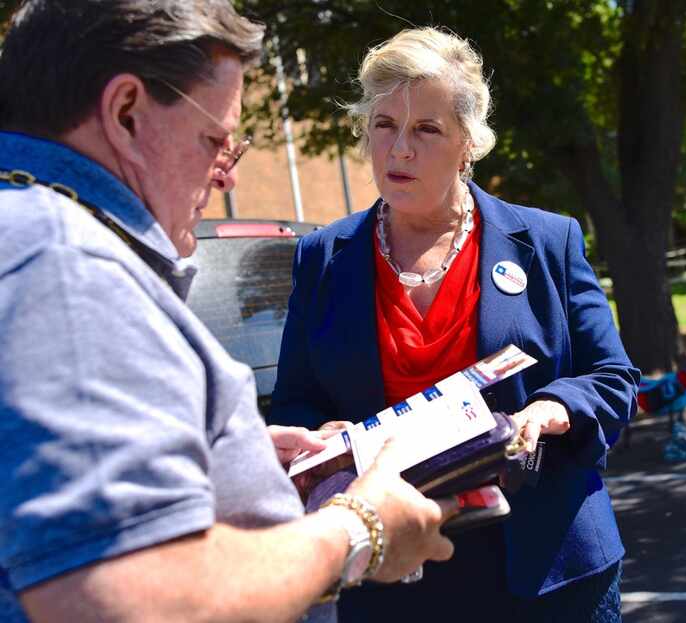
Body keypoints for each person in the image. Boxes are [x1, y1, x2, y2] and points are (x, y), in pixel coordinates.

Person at [0, 3, 457, 623]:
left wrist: (221, 450)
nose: (222, 179)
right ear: (126, 113)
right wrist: (359, 528)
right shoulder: (64, 264)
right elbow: (130, 598)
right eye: (214, 139)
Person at [271, 27, 640, 622]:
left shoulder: (546, 241)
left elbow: (612, 375)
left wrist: (550, 410)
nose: (399, 151)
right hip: (391, 575)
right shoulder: (322, 256)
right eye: (384, 125)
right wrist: (325, 441)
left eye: (426, 130)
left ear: (468, 142)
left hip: (547, 572)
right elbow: (294, 403)